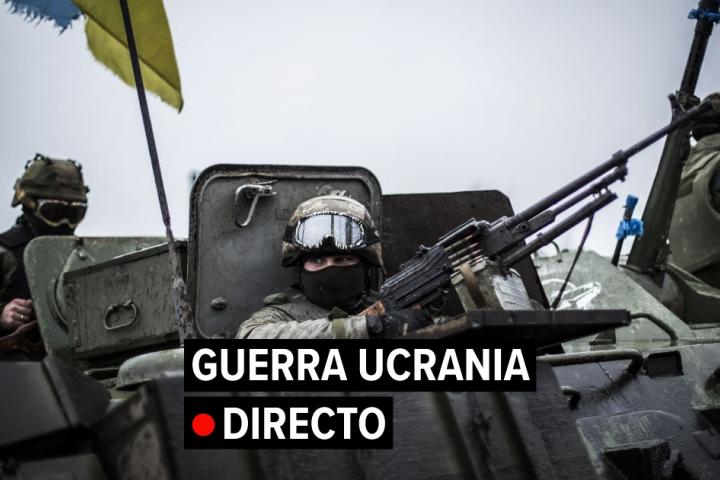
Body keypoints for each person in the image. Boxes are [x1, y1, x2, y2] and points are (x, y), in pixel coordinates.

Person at [235, 195, 433, 339]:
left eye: (343, 259)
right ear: (300, 271)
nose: (330, 269)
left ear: (365, 266)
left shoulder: (389, 307)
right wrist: (368, 328)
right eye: (318, 261)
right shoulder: (281, 315)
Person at [0, 154, 89, 337]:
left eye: (74, 214)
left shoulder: (87, 255)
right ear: (29, 205)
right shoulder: (5, 252)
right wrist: (2, 316)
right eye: (54, 212)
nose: (65, 222)